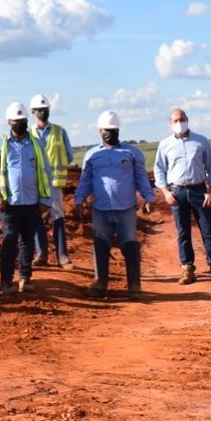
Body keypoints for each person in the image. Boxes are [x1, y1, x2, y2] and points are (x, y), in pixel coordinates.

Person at [74, 111, 155, 299]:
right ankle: (100, 283)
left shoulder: (131, 153)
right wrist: (79, 200)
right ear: (99, 131)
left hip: (125, 208)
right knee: (101, 244)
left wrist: (148, 198)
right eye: (106, 130)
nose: (109, 133)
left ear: (118, 130)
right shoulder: (92, 155)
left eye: (113, 130)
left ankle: (134, 286)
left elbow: (141, 177)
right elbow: (85, 180)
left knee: (130, 244)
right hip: (100, 210)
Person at [154, 109, 211, 286]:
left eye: (182, 119)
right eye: (175, 120)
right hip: (177, 192)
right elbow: (159, 169)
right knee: (183, 232)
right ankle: (187, 268)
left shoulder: (201, 141)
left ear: (188, 120)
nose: (179, 123)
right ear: (170, 123)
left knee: (208, 231)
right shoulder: (165, 144)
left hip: (199, 191)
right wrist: (165, 192)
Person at [0, 102, 52, 295]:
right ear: (8, 122)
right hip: (9, 204)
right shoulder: (1, 143)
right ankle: (6, 281)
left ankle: (25, 278)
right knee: (9, 241)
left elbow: (45, 171)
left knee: (27, 243)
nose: (20, 124)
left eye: (23, 121)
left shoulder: (36, 144)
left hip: (32, 203)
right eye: (16, 121)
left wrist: (44, 200)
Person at [28, 94, 74, 269]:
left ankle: (62, 256)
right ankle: (41, 255)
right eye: (39, 110)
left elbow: (68, 155)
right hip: (34, 184)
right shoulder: (28, 134)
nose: (43, 112)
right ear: (33, 112)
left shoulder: (59, 131)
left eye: (45, 109)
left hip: (54, 183)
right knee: (36, 218)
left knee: (58, 218)